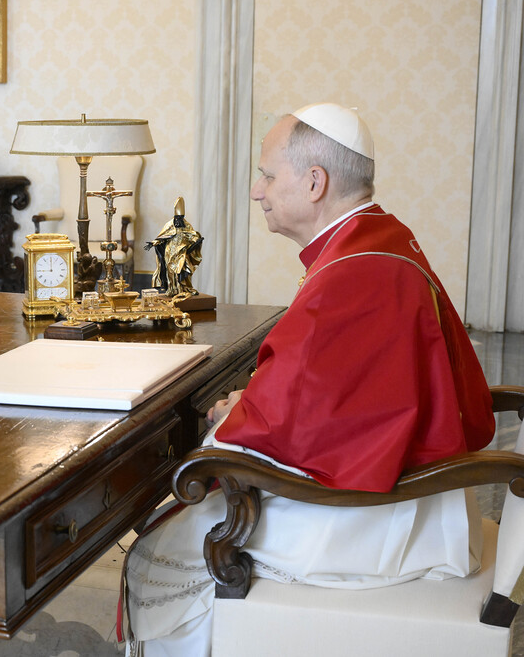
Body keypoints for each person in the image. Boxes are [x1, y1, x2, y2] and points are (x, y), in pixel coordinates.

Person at [123, 103, 495, 656]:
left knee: (160, 549)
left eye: (268, 175)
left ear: (314, 182)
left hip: (380, 523)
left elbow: (304, 407)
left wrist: (235, 419)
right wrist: (256, 400)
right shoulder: (377, 237)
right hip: (411, 492)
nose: (257, 190)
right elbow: (344, 390)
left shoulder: (354, 271)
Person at [145, 196, 203, 297]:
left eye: (181, 218)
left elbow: (192, 235)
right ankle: (173, 289)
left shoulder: (186, 225)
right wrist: (153, 243)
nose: (179, 220)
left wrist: (197, 240)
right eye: (177, 218)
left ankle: (185, 288)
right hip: (170, 252)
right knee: (171, 271)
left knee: (183, 270)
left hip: (182, 251)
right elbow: (163, 236)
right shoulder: (169, 224)